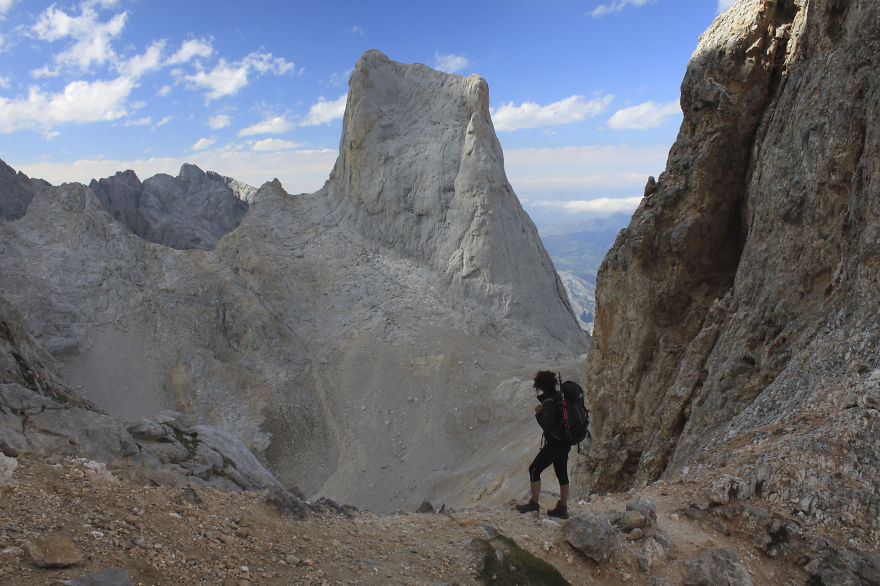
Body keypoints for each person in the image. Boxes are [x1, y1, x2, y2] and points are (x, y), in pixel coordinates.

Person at [514, 370, 570, 519]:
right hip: (565, 443)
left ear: (541, 386)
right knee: (562, 474)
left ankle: (534, 504)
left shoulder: (549, 402)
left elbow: (548, 427)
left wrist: (539, 413)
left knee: (533, 469)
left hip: (554, 444)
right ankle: (563, 508)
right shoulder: (560, 398)